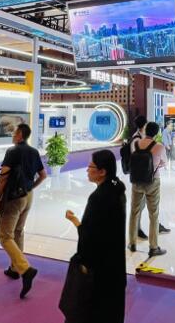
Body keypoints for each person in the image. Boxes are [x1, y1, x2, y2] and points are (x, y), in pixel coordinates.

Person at [63, 150, 127, 323]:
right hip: (114, 264)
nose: (87, 170)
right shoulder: (117, 188)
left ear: (102, 171)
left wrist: (84, 263)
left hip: (99, 267)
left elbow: (89, 236)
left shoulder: (98, 198)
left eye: (91, 166)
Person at [0, 123, 47, 299]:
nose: (12, 135)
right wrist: (31, 187)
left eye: (14, 132)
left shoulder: (12, 152)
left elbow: (3, 178)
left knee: (5, 236)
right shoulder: (34, 152)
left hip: (13, 197)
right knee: (18, 231)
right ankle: (14, 268)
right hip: (28, 196)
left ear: (19, 135)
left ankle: (25, 269)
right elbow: (43, 175)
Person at [128, 122, 167, 257]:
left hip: (137, 180)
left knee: (134, 212)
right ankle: (153, 247)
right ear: (156, 133)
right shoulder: (159, 146)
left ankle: (132, 243)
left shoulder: (136, 143)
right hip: (152, 181)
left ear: (145, 130)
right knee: (153, 214)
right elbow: (164, 163)